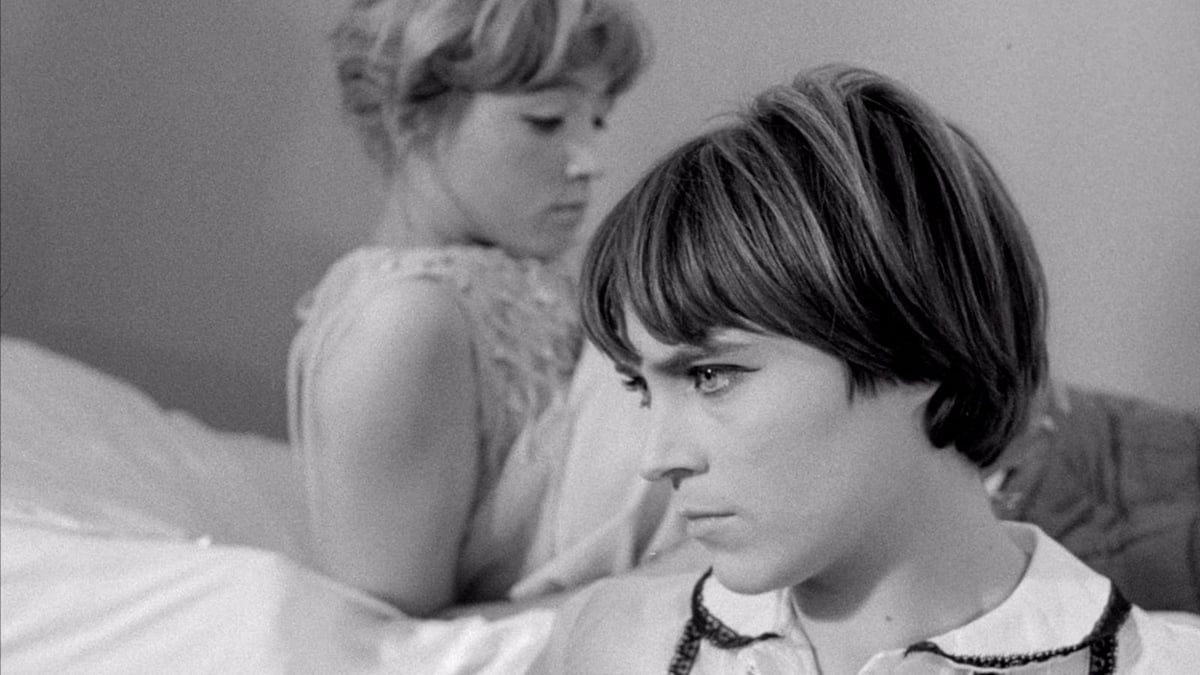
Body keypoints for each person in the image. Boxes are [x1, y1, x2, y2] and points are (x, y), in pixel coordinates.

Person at [534, 65, 1200, 673]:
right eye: (641, 387)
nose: (656, 459)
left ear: (918, 343)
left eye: (711, 375)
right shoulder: (612, 644)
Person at [286, 0, 656, 618]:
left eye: (597, 119)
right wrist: (671, 592)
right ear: (410, 118)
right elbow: (391, 640)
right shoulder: (401, 324)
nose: (590, 160)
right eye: (545, 121)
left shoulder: (528, 277)